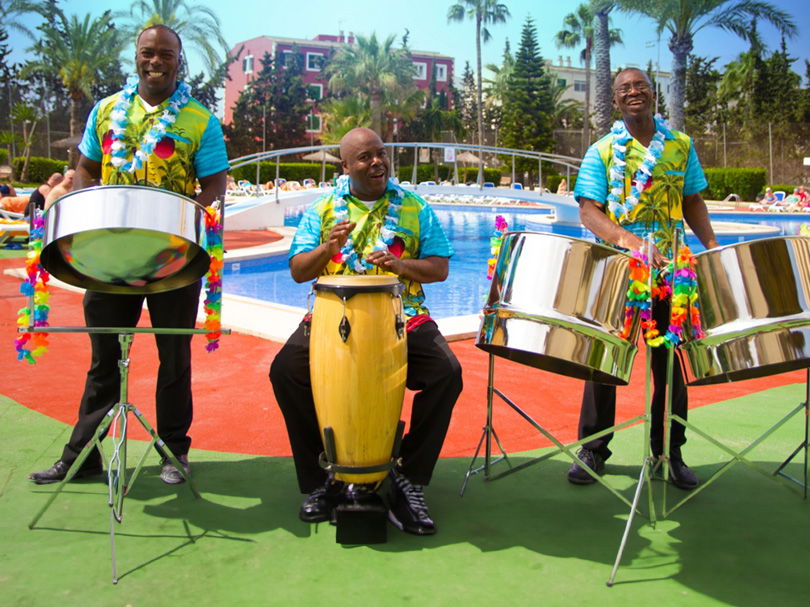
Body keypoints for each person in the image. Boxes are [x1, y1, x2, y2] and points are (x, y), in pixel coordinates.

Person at [29, 24, 229, 486]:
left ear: (179, 61)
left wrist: (189, 227)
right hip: (110, 256)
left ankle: (173, 451)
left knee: (173, 357)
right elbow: (85, 167)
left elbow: (215, 186)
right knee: (103, 357)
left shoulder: (200, 120)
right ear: (136, 58)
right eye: (147, 53)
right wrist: (85, 215)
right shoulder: (105, 110)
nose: (155, 61)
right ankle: (83, 456)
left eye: (165, 54)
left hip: (172, 257)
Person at [269, 127, 463, 535]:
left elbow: (440, 268)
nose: (377, 162)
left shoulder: (414, 208)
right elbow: (298, 271)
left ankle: (409, 475)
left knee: (447, 373)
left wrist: (401, 266)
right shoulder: (322, 210)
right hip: (330, 317)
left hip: (402, 314)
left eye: (381, 154)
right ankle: (322, 477)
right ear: (346, 167)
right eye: (365, 157)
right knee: (285, 370)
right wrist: (326, 247)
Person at [567, 68, 718, 491]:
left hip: (672, 270)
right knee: (605, 361)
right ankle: (594, 448)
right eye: (624, 89)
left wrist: (711, 245)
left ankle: (669, 452)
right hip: (621, 269)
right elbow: (589, 211)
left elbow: (693, 200)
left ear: (653, 94)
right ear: (615, 101)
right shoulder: (601, 151)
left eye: (640, 86)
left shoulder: (681, 146)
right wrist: (628, 240)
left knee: (669, 364)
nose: (633, 92)